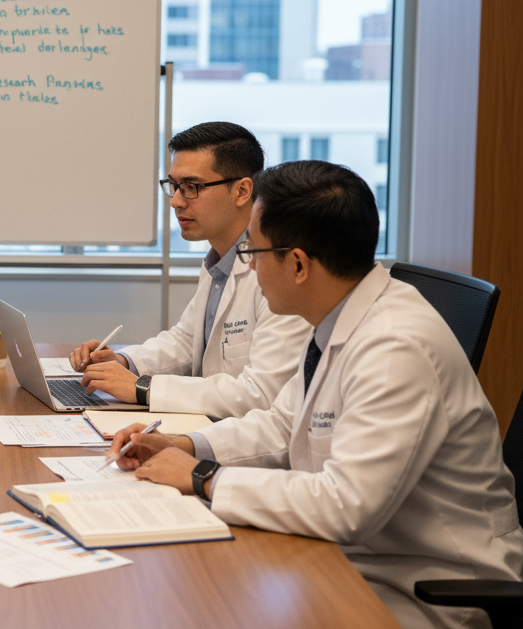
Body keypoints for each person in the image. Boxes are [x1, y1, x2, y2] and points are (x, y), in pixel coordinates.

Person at [108, 160, 522, 629]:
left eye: (254, 253)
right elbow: (285, 424)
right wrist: (185, 446)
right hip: (354, 560)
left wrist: (203, 476)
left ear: (299, 264)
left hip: (426, 588)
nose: (250, 268)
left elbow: (345, 506)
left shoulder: (396, 347)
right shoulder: (337, 313)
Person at [70, 122, 310, 418]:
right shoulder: (220, 260)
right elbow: (186, 341)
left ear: (242, 191)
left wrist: (143, 388)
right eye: (174, 186)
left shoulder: (281, 270)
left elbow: (261, 394)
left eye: (192, 187)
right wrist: (124, 361)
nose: (176, 201)